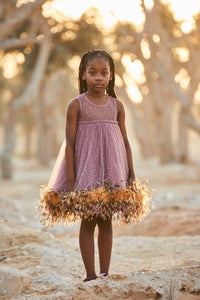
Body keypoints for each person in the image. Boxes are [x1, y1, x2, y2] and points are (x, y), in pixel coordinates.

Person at [37, 49, 152, 282]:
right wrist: (71, 178)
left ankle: (105, 272)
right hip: (86, 170)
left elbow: (126, 141)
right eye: (93, 73)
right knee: (88, 220)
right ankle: (90, 274)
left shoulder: (117, 106)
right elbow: (69, 144)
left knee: (106, 220)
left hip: (112, 168)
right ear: (82, 75)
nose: (98, 77)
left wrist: (131, 174)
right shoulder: (76, 105)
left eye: (103, 73)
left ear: (111, 76)